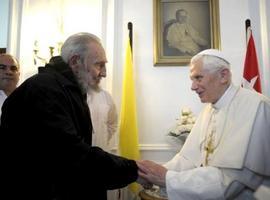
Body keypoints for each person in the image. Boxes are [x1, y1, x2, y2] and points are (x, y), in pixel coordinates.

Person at [0, 32, 139, 200]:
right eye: (99, 65)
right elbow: (71, 155)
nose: (104, 73)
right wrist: (134, 169)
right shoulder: (44, 89)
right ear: (75, 62)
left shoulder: (65, 88)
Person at [137, 49, 270, 199]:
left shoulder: (256, 106)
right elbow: (188, 159)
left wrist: (166, 178)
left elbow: (229, 182)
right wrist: (151, 173)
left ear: (223, 75)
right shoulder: (208, 109)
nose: (192, 87)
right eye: (192, 79)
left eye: (198, 78)